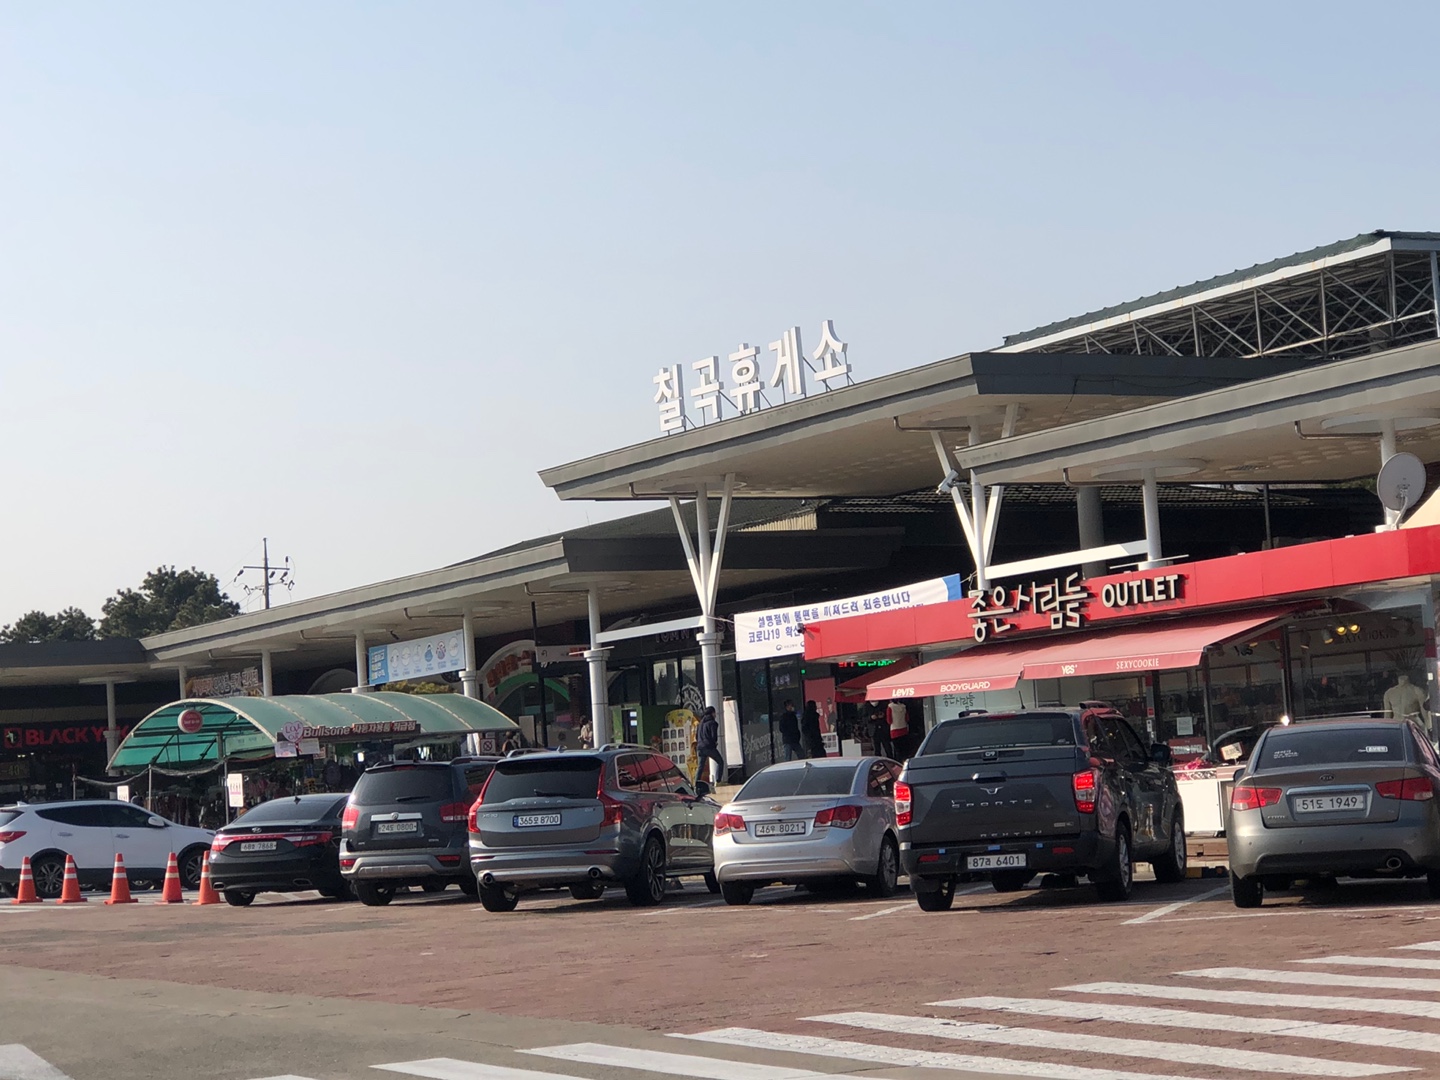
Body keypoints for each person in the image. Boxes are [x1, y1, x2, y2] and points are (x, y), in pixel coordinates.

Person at [694, 706, 724, 787]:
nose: (715, 715)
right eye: (714, 713)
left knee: (700, 767)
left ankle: (695, 784)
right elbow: (714, 736)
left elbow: (696, 736)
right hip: (709, 747)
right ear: (712, 713)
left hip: (700, 747)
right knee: (720, 762)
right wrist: (714, 744)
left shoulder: (700, 723)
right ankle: (718, 781)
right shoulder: (712, 723)